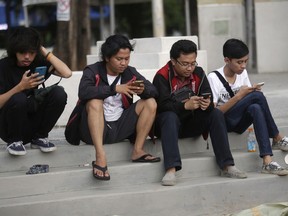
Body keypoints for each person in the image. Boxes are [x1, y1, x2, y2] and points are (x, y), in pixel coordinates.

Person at [153, 39, 247, 186]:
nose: (190, 68)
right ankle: (171, 169)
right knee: (169, 116)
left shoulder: (198, 72)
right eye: (185, 64)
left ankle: (227, 165)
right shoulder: (162, 76)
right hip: (168, 126)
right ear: (173, 61)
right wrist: (184, 106)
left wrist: (206, 104)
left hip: (191, 122)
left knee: (215, 113)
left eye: (193, 63)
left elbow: (207, 96)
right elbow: (161, 106)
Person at [78, 34, 160, 181]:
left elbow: (153, 90)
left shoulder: (129, 72)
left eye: (126, 59)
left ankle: (138, 150)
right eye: (119, 59)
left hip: (121, 126)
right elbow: (84, 92)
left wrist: (143, 91)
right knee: (94, 102)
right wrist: (114, 88)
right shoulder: (93, 70)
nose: (123, 63)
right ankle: (100, 156)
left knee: (150, 102)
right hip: (95, 130)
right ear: (107, 57)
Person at [207, 38, 288, 176]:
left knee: (256, 106)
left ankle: (267, 161)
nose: (243, 66)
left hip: (240, 121)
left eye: (245, 61)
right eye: (239, 62)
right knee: (257, 97)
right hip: (223, 123)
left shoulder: (242, 73)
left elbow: (249, 101)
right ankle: (277, 137)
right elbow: (215, 113)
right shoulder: (213, 78)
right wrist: (239, 96)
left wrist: (248, 93)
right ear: (227, 60)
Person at [0, 26, 72, 156]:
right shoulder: (3, 67)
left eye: (32, 52)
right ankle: (15, 142)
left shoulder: (38, 63)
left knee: (59, 93)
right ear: (15, 51)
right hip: (8, 127)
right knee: (19, 97)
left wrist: (43, 50)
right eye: (23, 52)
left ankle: (40, 137)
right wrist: (20, 87)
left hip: (31, 122)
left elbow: (67, 73)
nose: (27, 57)